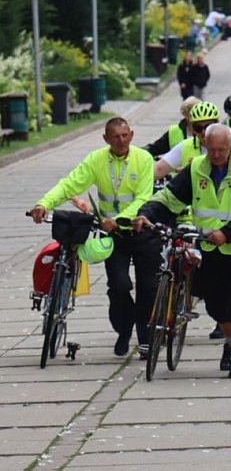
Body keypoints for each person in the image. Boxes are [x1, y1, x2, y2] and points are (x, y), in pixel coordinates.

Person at [134, 124, 231, 379]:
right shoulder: (196, 168)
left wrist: (226, 233)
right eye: (212, 149)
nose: (216, 155)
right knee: (215, 304)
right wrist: (145, 214)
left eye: (222, 150)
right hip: (209, 245)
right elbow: (170, 198)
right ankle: (229, 341)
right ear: (204, 145)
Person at [29, 117, 159, 358]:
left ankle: (145, 339)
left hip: (141, 231)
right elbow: (70, 185)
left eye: (124, 135)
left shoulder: (144, 159)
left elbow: (143, 198)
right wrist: (43, 203)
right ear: (105, 139)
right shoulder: (96, 159)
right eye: (115, 136)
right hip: (113, 236)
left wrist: (120, 218)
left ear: (131, 135)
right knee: (118, 286)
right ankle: (124, 328)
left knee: (148, 287)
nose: (121, 141)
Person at [153, 101, 231, 181]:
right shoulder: (185, 146)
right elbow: (158, 169)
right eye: (198, 128)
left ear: (217, 124)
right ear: (192, 128)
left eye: (208, 126)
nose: (203, 132)